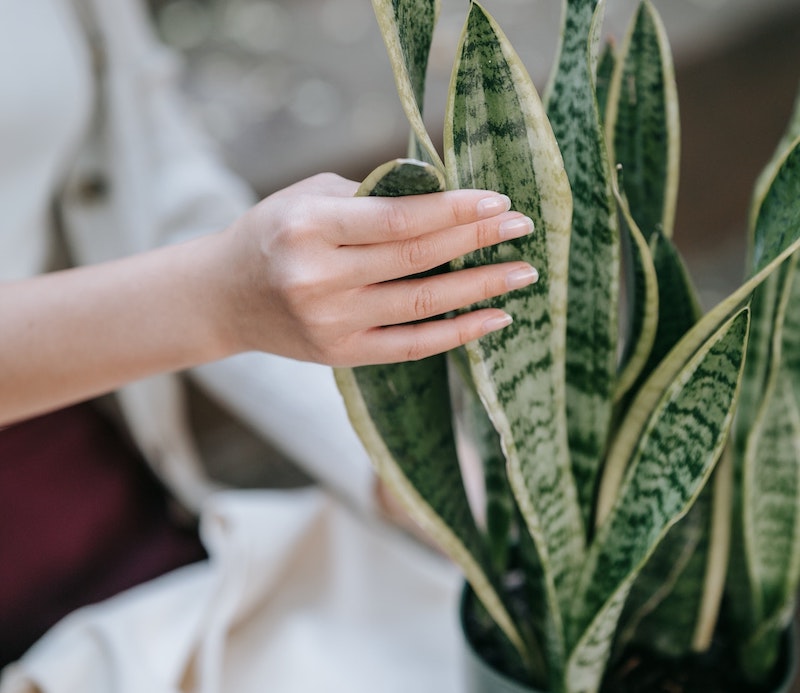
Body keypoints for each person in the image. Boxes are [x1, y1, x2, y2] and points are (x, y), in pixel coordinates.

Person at [0, 1, 538, 690]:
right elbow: (210, 282)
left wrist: (411, 465)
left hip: (88, 487)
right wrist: (216, 298)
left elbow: (153, 179)